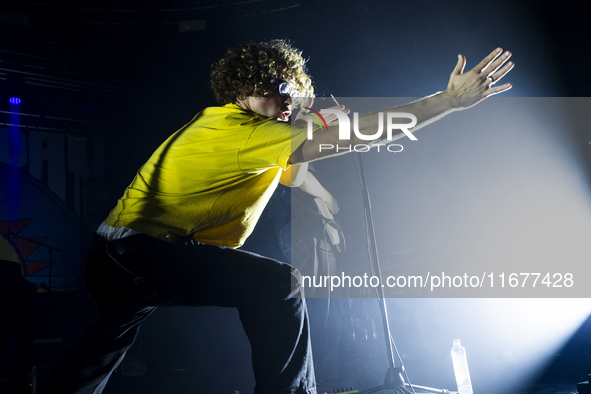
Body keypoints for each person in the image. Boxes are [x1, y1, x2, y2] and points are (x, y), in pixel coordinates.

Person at [42, 39, 513, 394]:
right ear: (247, 88)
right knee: (278, 285)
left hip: (117, 256)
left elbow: (292, 174)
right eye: (278, 89)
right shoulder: (240, 130)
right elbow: (359, 136)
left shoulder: (246, 129)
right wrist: (447, 101)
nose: (288, 100)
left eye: (294, 92)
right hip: (142, 254)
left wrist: (324, 194)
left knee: (107, 338)